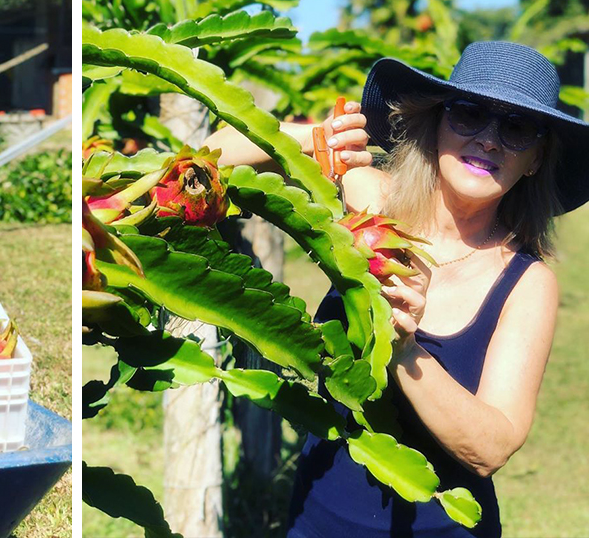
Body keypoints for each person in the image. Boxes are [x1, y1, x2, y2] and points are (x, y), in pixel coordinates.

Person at [205, 41, 589, 537]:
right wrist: (313, 137)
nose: (489, 141)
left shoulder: (527, 283)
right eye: (469, 114)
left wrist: (404, 349)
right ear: (437, 126)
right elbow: (209, 157)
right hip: (314, 521)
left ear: (536, 159)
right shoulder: (370, 200)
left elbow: (492, 447)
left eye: (516, 129)